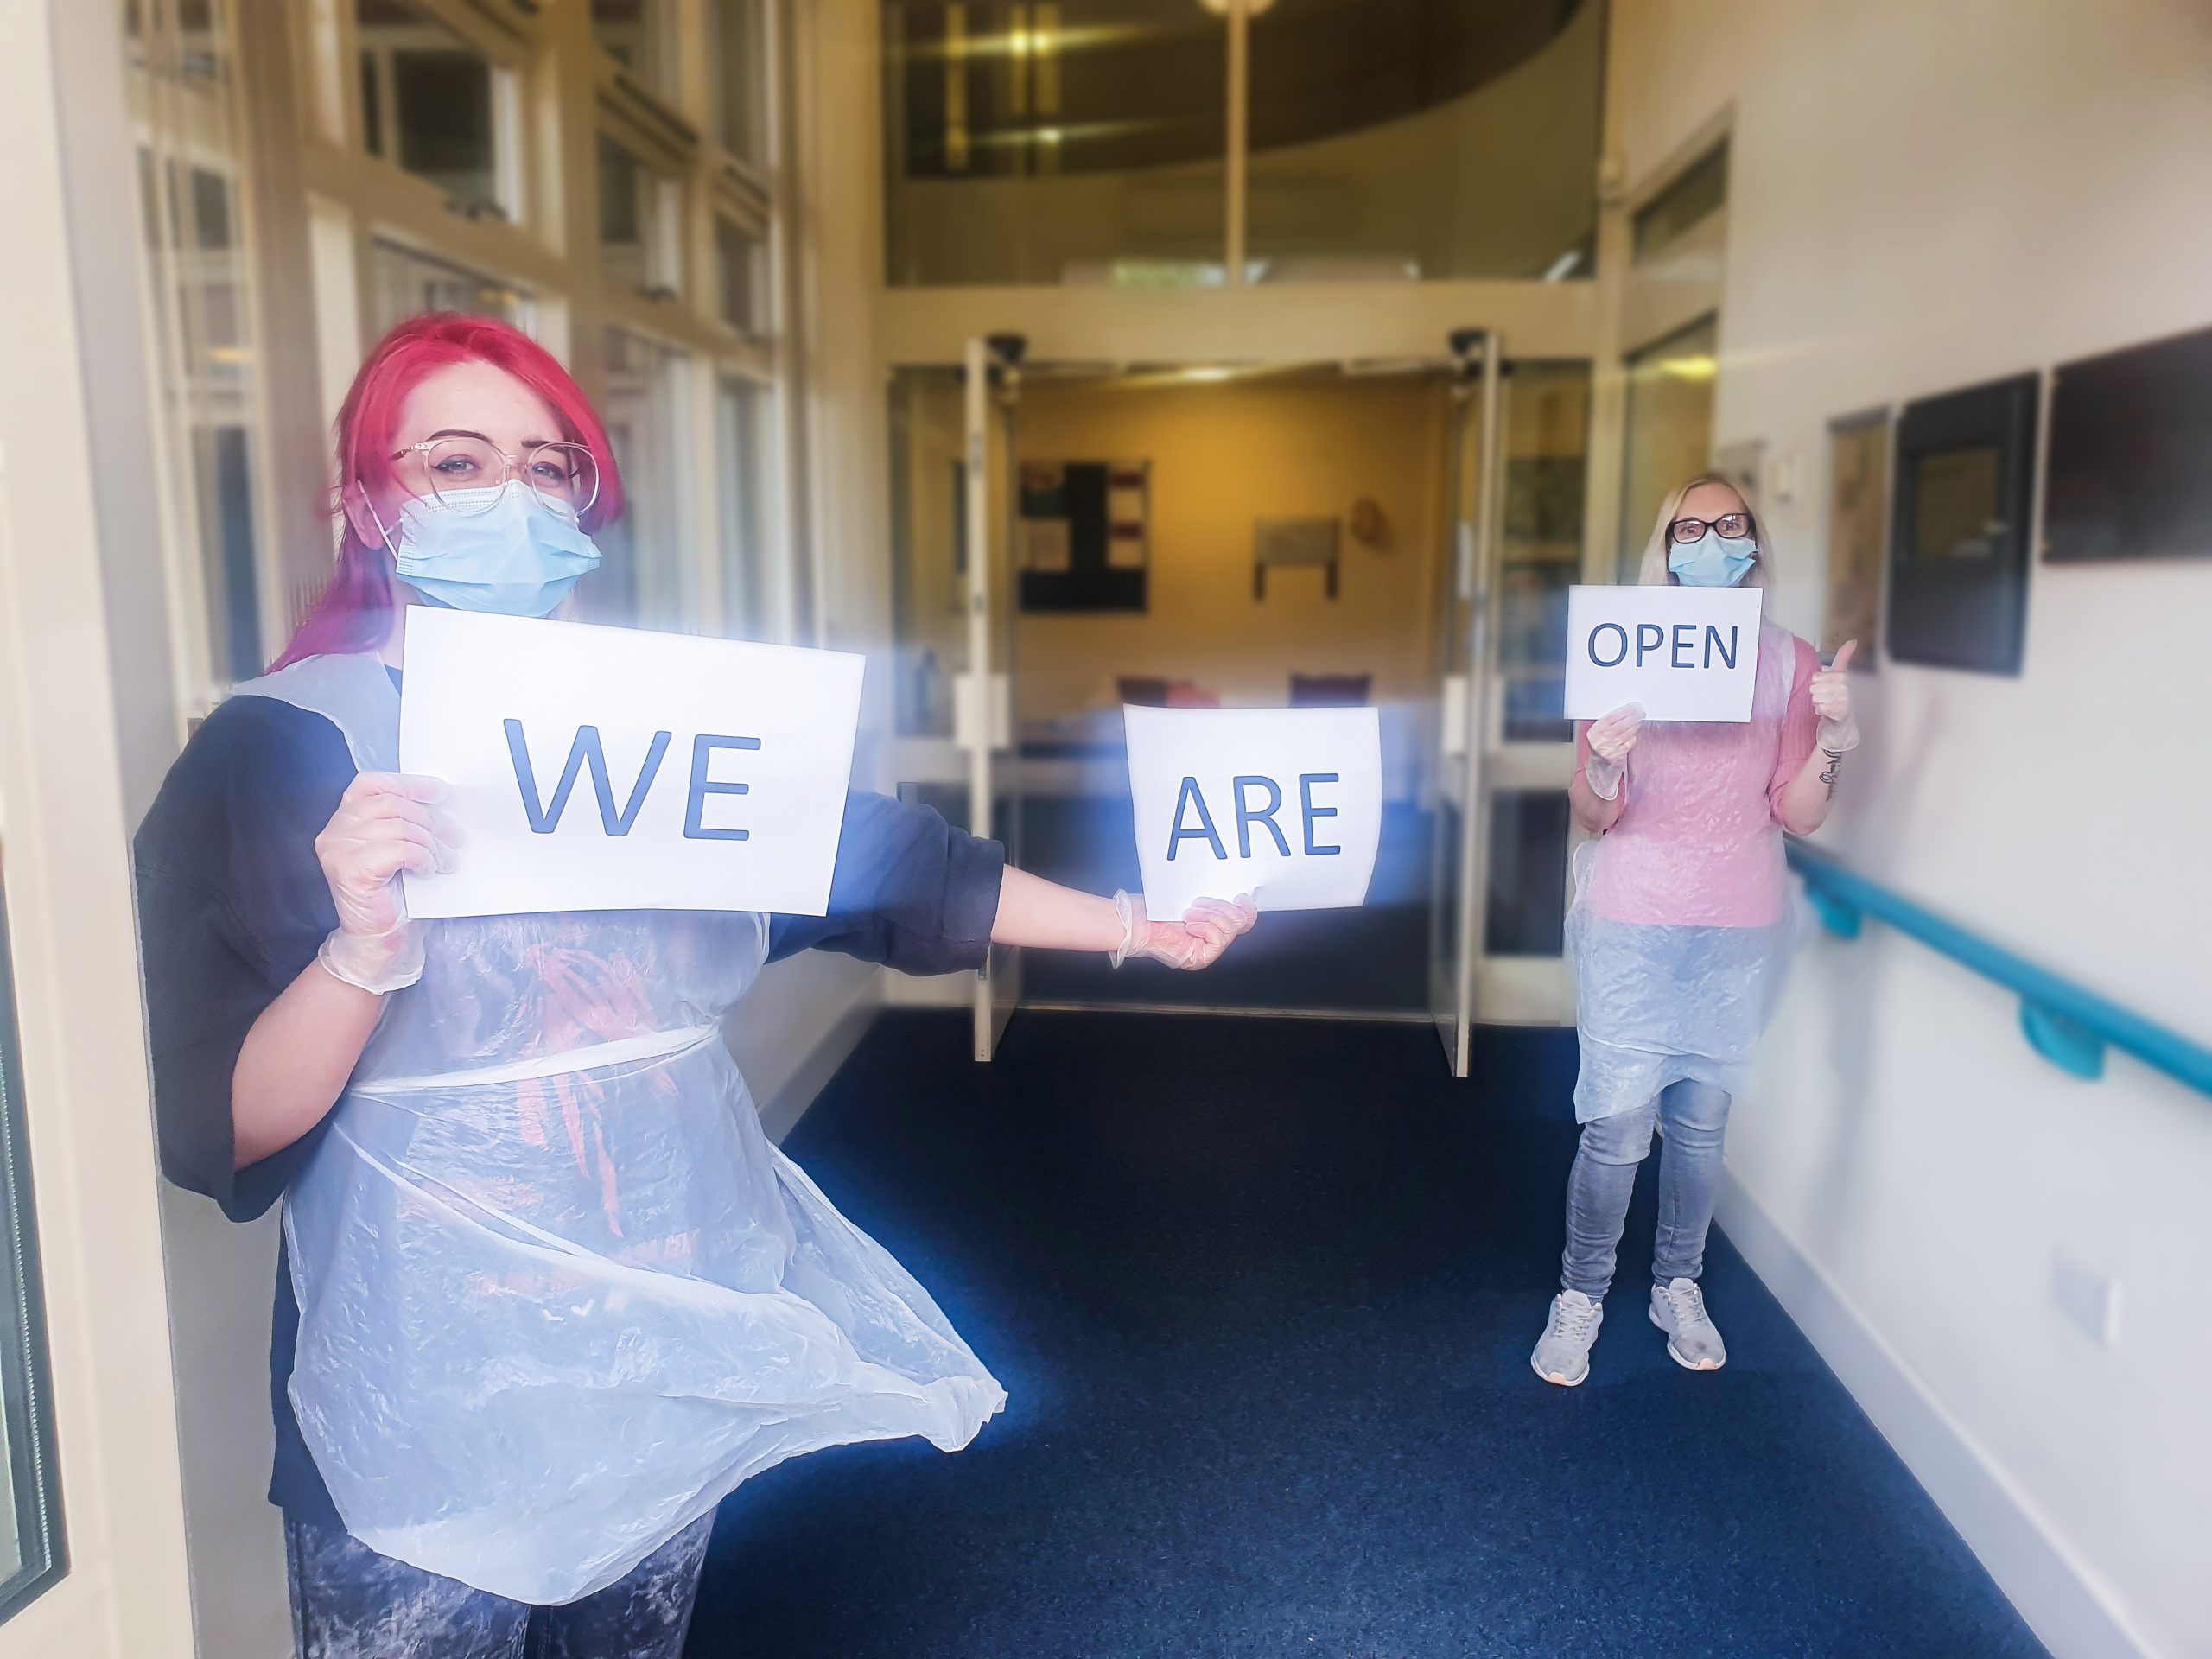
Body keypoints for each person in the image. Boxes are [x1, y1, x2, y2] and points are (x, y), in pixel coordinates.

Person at [135, 313, 1258, 1656]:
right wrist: (362, 950)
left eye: (548, 470)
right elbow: (226, 1122)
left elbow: (890, 866)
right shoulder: (278, 752)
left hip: (652, 1338)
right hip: (424, 1380)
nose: (513, 499)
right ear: (368, 506)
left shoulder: (646, 730)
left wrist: (1139, 924)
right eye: (455, 463)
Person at [1530, 474, 1859, 1387]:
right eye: (1690, 527)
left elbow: (1797, 814)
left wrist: (1834, 734)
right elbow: (1594, 816)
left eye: (1729, 524)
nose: (1711, 541)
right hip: (1633, 916)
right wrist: (1600, 763)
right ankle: (1581, 1294)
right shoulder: (1623, 649)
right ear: (1664, 545)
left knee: (1702, 1130)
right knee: (1615, 1128)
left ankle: (1679, 1281)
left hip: (1736, 922)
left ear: (1754, 540)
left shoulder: (1791, 664)